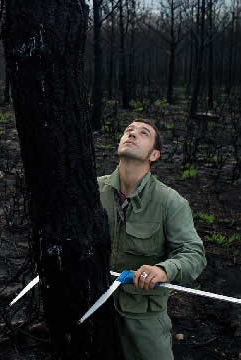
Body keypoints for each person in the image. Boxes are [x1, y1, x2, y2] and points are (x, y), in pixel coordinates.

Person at [97, 119, 207, 360]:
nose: (132, 134)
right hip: (93, 307)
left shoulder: (170, 201)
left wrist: (163, 270)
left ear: (154, 154)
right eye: (128, 131)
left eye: (143, 133)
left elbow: (194, 255)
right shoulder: (93, 190)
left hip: (143, 315)